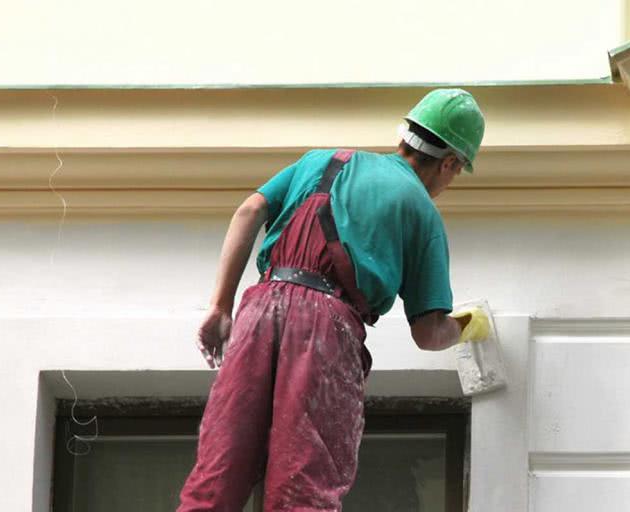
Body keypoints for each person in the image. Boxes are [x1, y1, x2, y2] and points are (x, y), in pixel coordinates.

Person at [178, 89, 488, 511]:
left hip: (258, 309)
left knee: (217, 476)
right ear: (449, 162)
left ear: (405, 136)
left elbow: (249, 211)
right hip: (325, 328)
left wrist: (220, 306)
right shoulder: (420, 209)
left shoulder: (320, 160)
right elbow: (429, 333)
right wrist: (468, 324)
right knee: (303, 490)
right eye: (455, 172)